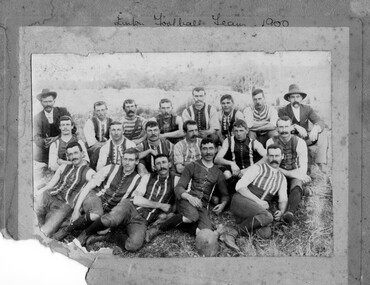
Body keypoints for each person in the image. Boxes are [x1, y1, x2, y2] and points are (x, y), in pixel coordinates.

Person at [146, 138, 237, 251]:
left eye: (211, 149)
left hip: (202, 206)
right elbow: (179, 188)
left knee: (204, 233)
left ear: (215, 151)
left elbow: (225, 194)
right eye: (205, 149)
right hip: (186, 200)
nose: (208, 152)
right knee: (192, 217)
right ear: (200, 150)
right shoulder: (192, 166)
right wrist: (189, 197)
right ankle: (158, 228)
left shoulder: (218, 172)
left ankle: (174, 219)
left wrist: (223, 204)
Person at [53, 148, 142, 248]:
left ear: (137, 161)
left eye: (131, 160)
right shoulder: (111, 168)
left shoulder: (138, 180)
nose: (127, 162)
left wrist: (110, 223)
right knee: (96, 214)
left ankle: (77, 227)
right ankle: (69, 232)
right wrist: (76, 209)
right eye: (125, 159)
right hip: (94, 197)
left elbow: (126, 207)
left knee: (101, 228)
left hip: (109, 210)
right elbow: (88, 186)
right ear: (122, 159)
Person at [35, 141, 95, 238]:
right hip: (49, 196)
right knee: (27, 212)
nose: (73, 157)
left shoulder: (89, 172)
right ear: (67, 156)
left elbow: (93, 190)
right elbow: (50, 184)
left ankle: (59, 225)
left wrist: (77, 210)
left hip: (64, 205)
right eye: (70, 154)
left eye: (76, 153)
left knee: (45, 232)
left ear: (82, 154)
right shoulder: (63, 167)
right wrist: (38, 193)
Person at [230, 144, 288, 241]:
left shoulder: (282, 178)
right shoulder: (258, 168)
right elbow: (240, 187)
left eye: (277, 156)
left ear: (282, 156)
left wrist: (281, 211)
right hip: (241, 200)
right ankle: (232, 234)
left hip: (257, 210)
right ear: (267, 156)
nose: (274, 159)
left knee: (265, 233)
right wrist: (259, 202)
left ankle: (242, 225)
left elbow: (283, 199)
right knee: (267, 217)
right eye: (271, 155)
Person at [266, 116, 311, 224]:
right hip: (277, 172)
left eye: (286, 126)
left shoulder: (300, 142)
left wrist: (297, 175)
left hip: (295, 171)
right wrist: (287, 173)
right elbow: (271, 165)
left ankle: (289, 213)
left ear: (291, 127)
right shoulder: (270, 141)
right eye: (281, 127)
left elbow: (303, 166)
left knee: (296, 183)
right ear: (277, 129)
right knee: (270, 186)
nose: (284, 130)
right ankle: (301, 191)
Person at [278, 84, 328, 169]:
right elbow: (282, 128)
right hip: (292, 139)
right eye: (293, 97)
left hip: (305, 138)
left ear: (301, 98)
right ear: (289, 99)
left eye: (298, 97)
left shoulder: (307, 109)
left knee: (323, 134)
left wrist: (316, 128)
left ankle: (320, 164)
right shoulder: (283, 111)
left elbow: (319, 121)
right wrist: (295, 126)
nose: (295, 99)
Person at [215, 119, 266, 194]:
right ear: (233, 131)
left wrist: (248, 169)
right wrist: (232, 164)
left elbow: (267, 157)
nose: (238, 134)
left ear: (247, 131)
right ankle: (232, 193)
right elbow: (217, 159)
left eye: (241, 130)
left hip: (249, 171)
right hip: (234, 171)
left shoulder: (254, 143)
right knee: (226, 174)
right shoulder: (228, 141)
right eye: (236, 131)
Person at [33, 89, 73, 164]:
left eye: (50, 101)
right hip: (46, 147)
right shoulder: (37, 117)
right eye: (45, 102)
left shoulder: (62, 111)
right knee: (38, 157)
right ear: (41, 103)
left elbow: (73, 129)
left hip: (64, 141)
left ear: (54, 101)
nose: (48, 104)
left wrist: (56, 138)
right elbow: (36, 137)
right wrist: (45, 142)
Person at [83, 101, 113, 170]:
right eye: (98, 110)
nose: (101, 113)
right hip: (93, 149)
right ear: (95, 111)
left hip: (108, 147)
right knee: (99, 150)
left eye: (103, 110)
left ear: (106, 110)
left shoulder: (111, 122)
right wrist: (105, 146)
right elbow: (92, 143)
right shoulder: (90, 122)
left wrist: (107, 146)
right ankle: (92, 170)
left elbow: (113, 140)